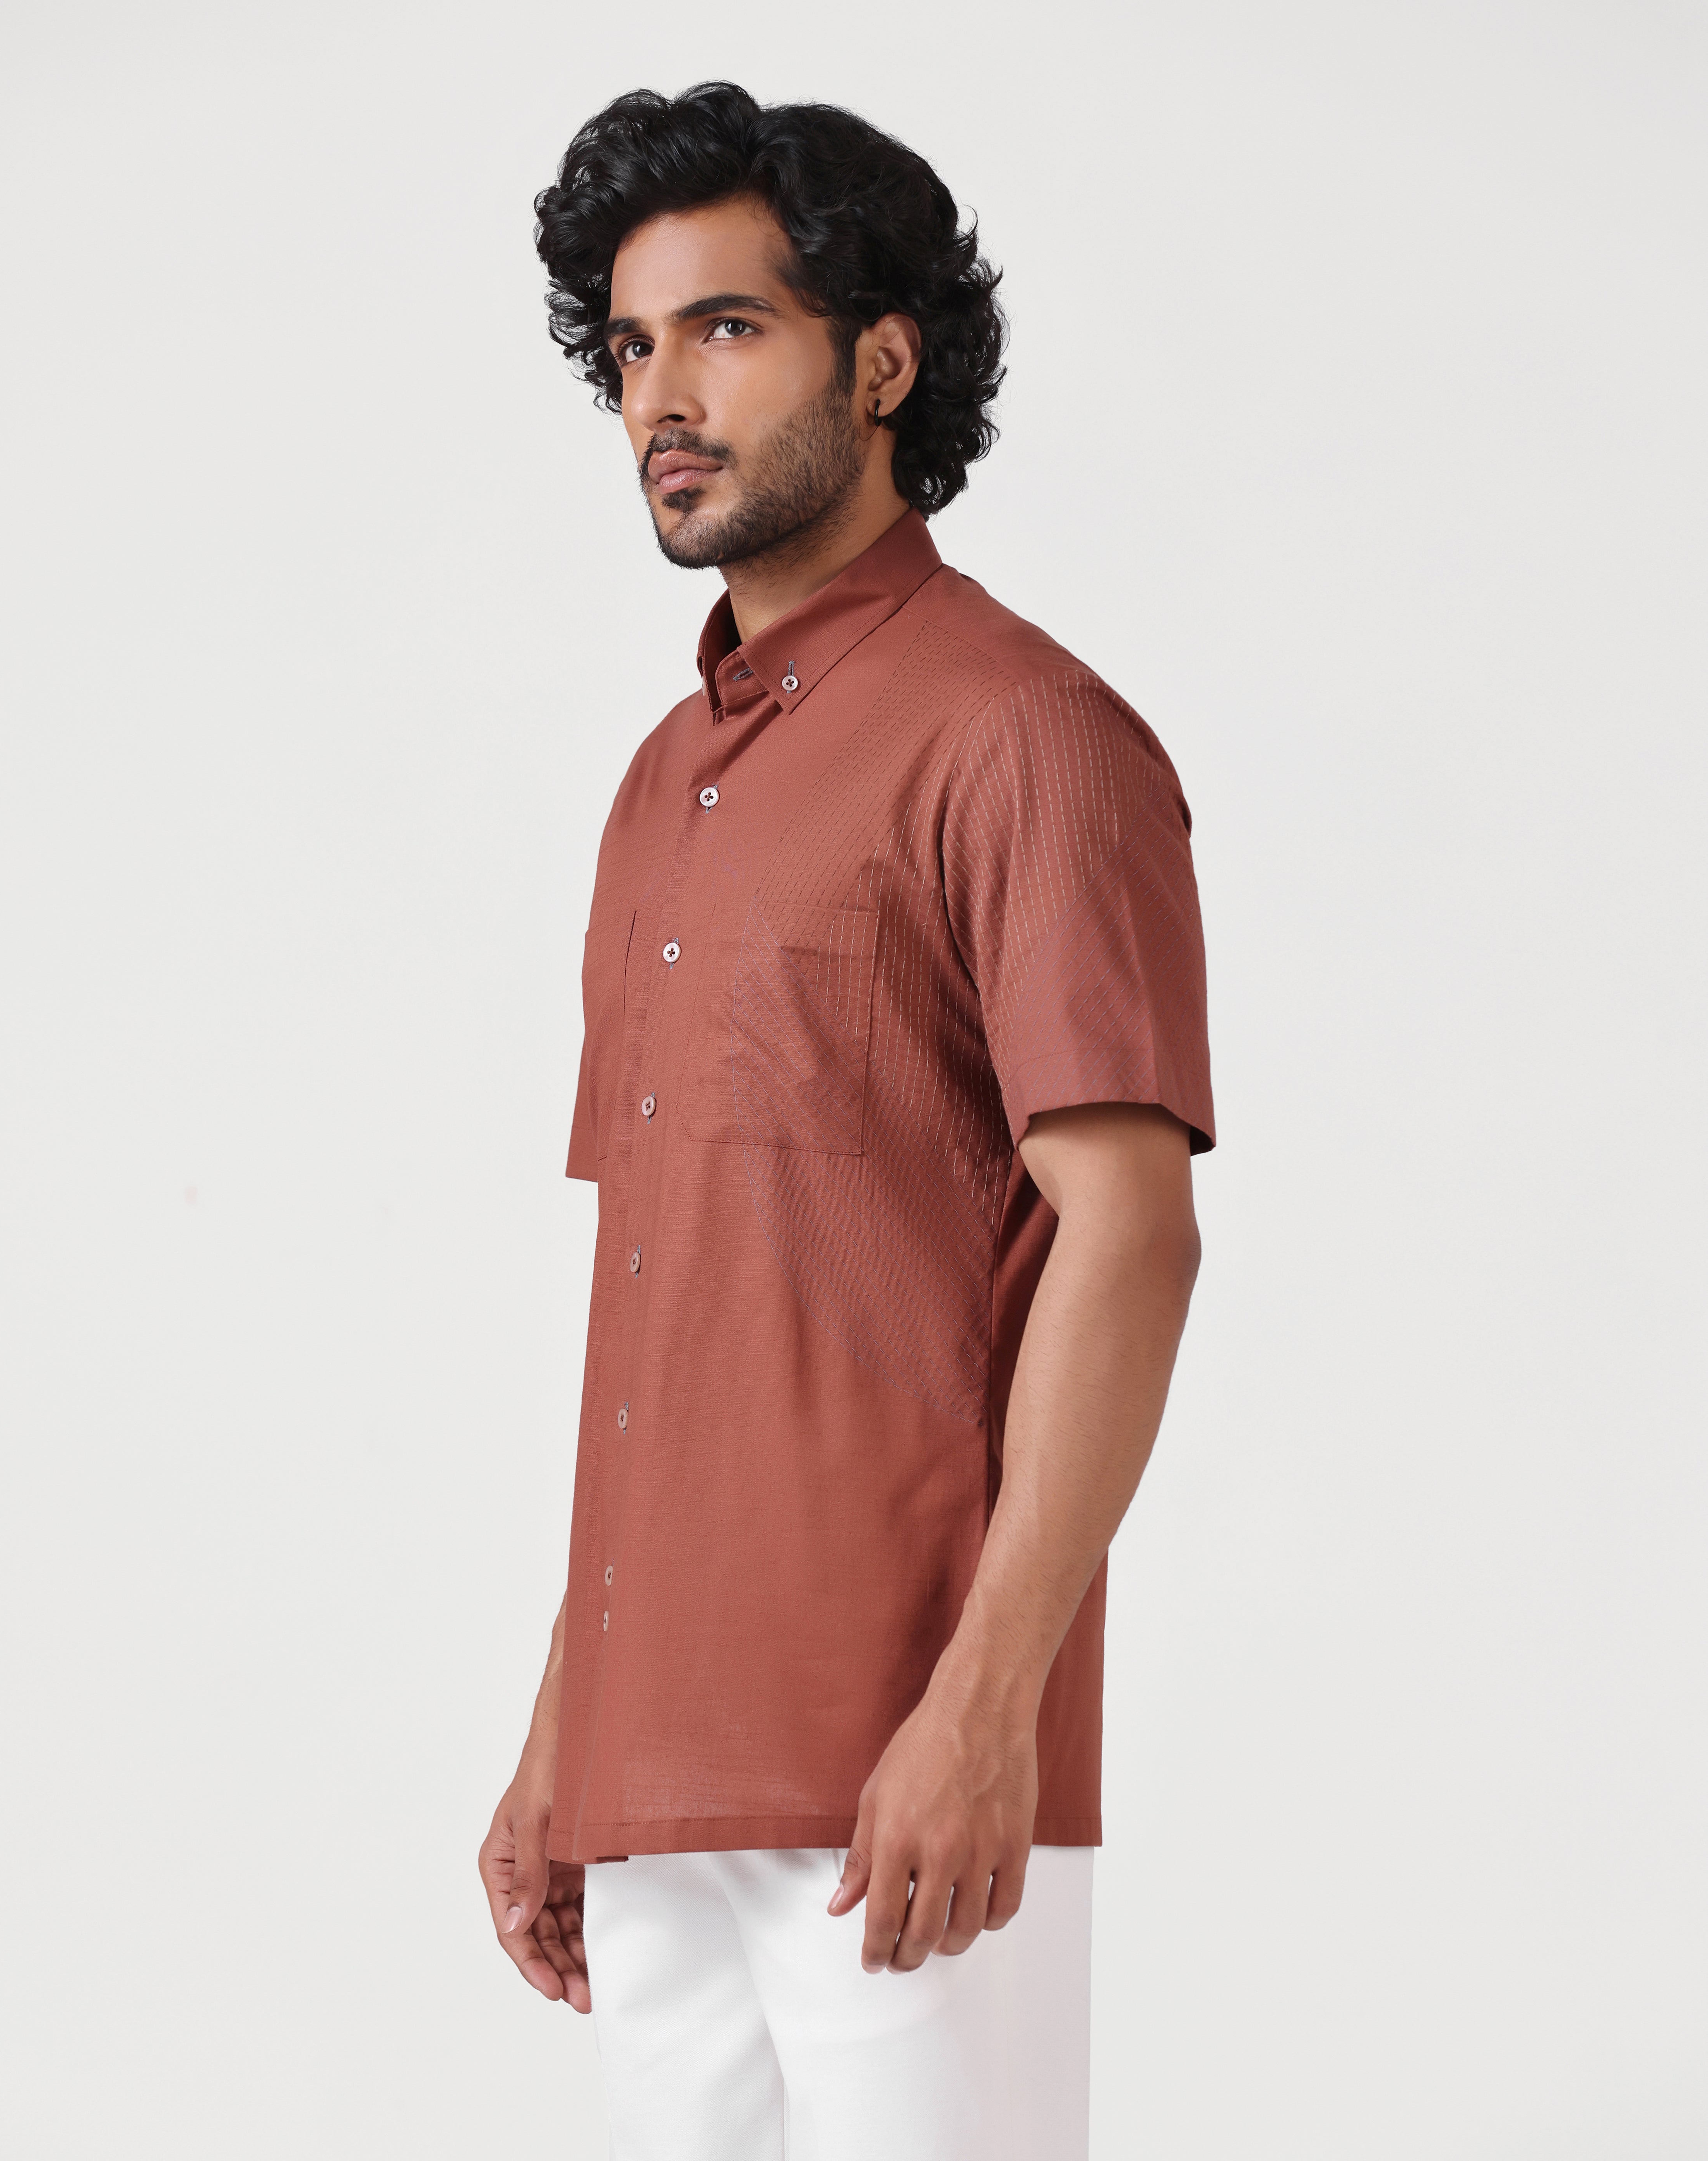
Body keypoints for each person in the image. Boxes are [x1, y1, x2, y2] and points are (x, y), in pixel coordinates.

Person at [479, 81, 1214, 2161]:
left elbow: (1129, 1234)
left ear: (881, 365)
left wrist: (986, 1704)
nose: (660, 398)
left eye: (726, 329)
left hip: (909, 1776)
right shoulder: (660, 786)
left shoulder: (1025, 738)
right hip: (653, 1778)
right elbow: (674, 1303)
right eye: (631, 348)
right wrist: (563, 1730)